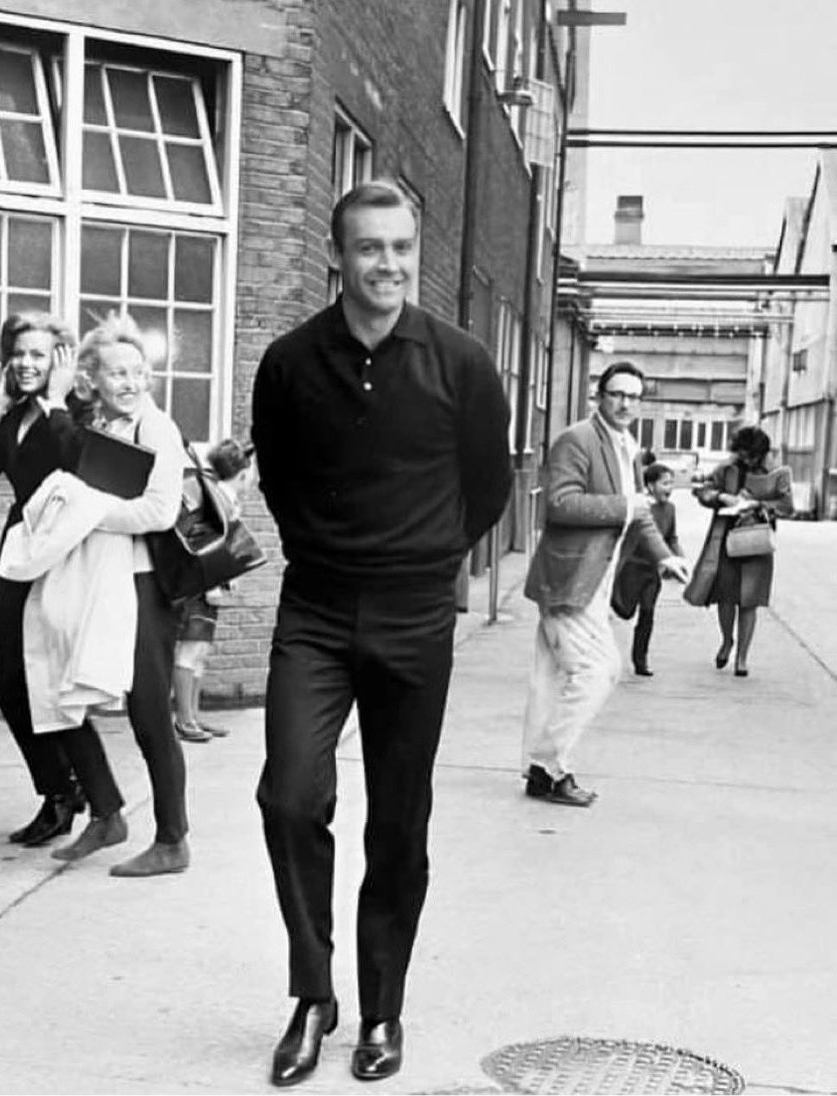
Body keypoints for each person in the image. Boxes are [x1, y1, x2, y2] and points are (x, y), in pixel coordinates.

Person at [251, 180, 513, 1087]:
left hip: (412, 614)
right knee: (289, 797)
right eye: (371, 248)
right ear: (340, 255)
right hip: (316, 611)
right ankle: (312, 992)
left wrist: (426, 556)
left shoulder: (461, 362)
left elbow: (488, 485)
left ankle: (381, 1010)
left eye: (401, 248)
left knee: (398, 823)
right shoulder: (289, 363)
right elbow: (280, 482)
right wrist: (330, 552)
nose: (389, 265)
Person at [48, 312, 194, 877]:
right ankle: (107, 813)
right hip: (104, 579)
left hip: (145, 584)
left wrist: (89, 515)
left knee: (150, 710)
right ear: (94, 379)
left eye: (138, 372)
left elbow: (158, 512)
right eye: (117, 374)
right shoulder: (103, 424)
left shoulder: (156, 429)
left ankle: (173, 839)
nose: (131, 383)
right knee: (66, 692)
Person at [522, 361, 690, 808]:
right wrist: (623, 504)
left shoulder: (626, 445)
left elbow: (639, 512)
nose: (626, 403)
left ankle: (539, 772)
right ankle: (550, 767)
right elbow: (559, 505)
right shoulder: (577, 440)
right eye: (617, 394)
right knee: (599, 671)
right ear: (600, 396)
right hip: (569, 580)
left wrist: (665, 556)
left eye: (634, 396)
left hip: (594, 581)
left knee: (552, 679)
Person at [0, 311, 88, 848]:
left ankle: (66, 793)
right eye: (19, 354)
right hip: (20, 549)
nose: (27, 363)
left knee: (53, 679)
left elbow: (75, 461)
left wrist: (58, 400)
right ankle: (62, 786)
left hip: (64, 550)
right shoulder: (14, 417)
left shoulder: (78, 411)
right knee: (8, 681)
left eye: (39, 354)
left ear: (60, 359)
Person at [683, 425, 793, 677]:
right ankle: (726, 641)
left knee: (750, 600)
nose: (745, 460)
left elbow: (787, 506)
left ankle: (742, 658)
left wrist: (758, 505)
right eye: (741, 454)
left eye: (750, 456)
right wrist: (721, 497)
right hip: (726, 539)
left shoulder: (778, 472)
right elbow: (702, 490)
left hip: (757, 542)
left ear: (761, 453)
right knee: (726, 596)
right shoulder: (727, 469)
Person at [172, 438, 253, 743]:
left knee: (200, 652)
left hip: (209, 586)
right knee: (189, 650)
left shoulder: (223, 497)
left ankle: (193, 715)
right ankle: (184, 719)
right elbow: (205, 545)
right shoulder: (216, 498)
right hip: (200, 587)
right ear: (242, 473)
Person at [611, 460, 684, 677]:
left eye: (671, 483)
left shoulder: (670, 510)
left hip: (652, 572)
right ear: (651, 486)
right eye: (664, 483)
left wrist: (679, 559)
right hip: (631, 567)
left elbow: (671, 538)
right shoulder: (640, 508)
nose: (669, 488)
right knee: (625, 611)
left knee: (648, 612)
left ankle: (640, 660)